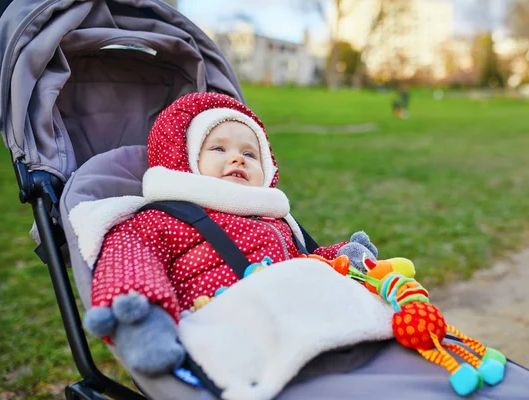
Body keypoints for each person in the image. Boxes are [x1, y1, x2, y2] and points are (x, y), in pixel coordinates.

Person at [77, 92, 378, 375]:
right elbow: (131, 258)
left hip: (292, 319)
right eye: (219, 148)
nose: (238, 159)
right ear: (187, 159)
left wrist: (339, 256)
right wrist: (147, 314)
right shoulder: (164, 218)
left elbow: (303, 258)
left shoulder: (272, 219)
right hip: (219, 324)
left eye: (249, 152)